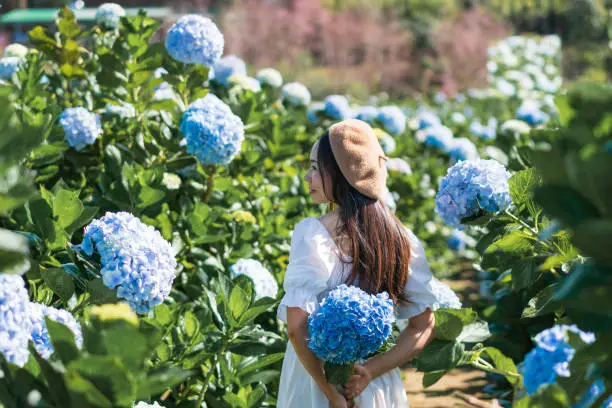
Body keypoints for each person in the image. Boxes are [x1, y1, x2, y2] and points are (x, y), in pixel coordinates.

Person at [276, 119, 439, 408]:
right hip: (374, 387)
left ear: (340, 175)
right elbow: (423, 326)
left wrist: (331, 393)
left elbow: (296, 328)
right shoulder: (401, 239)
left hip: (316, 383)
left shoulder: (313, 234)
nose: (306, 177)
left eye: (315, 168)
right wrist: (370, 372)